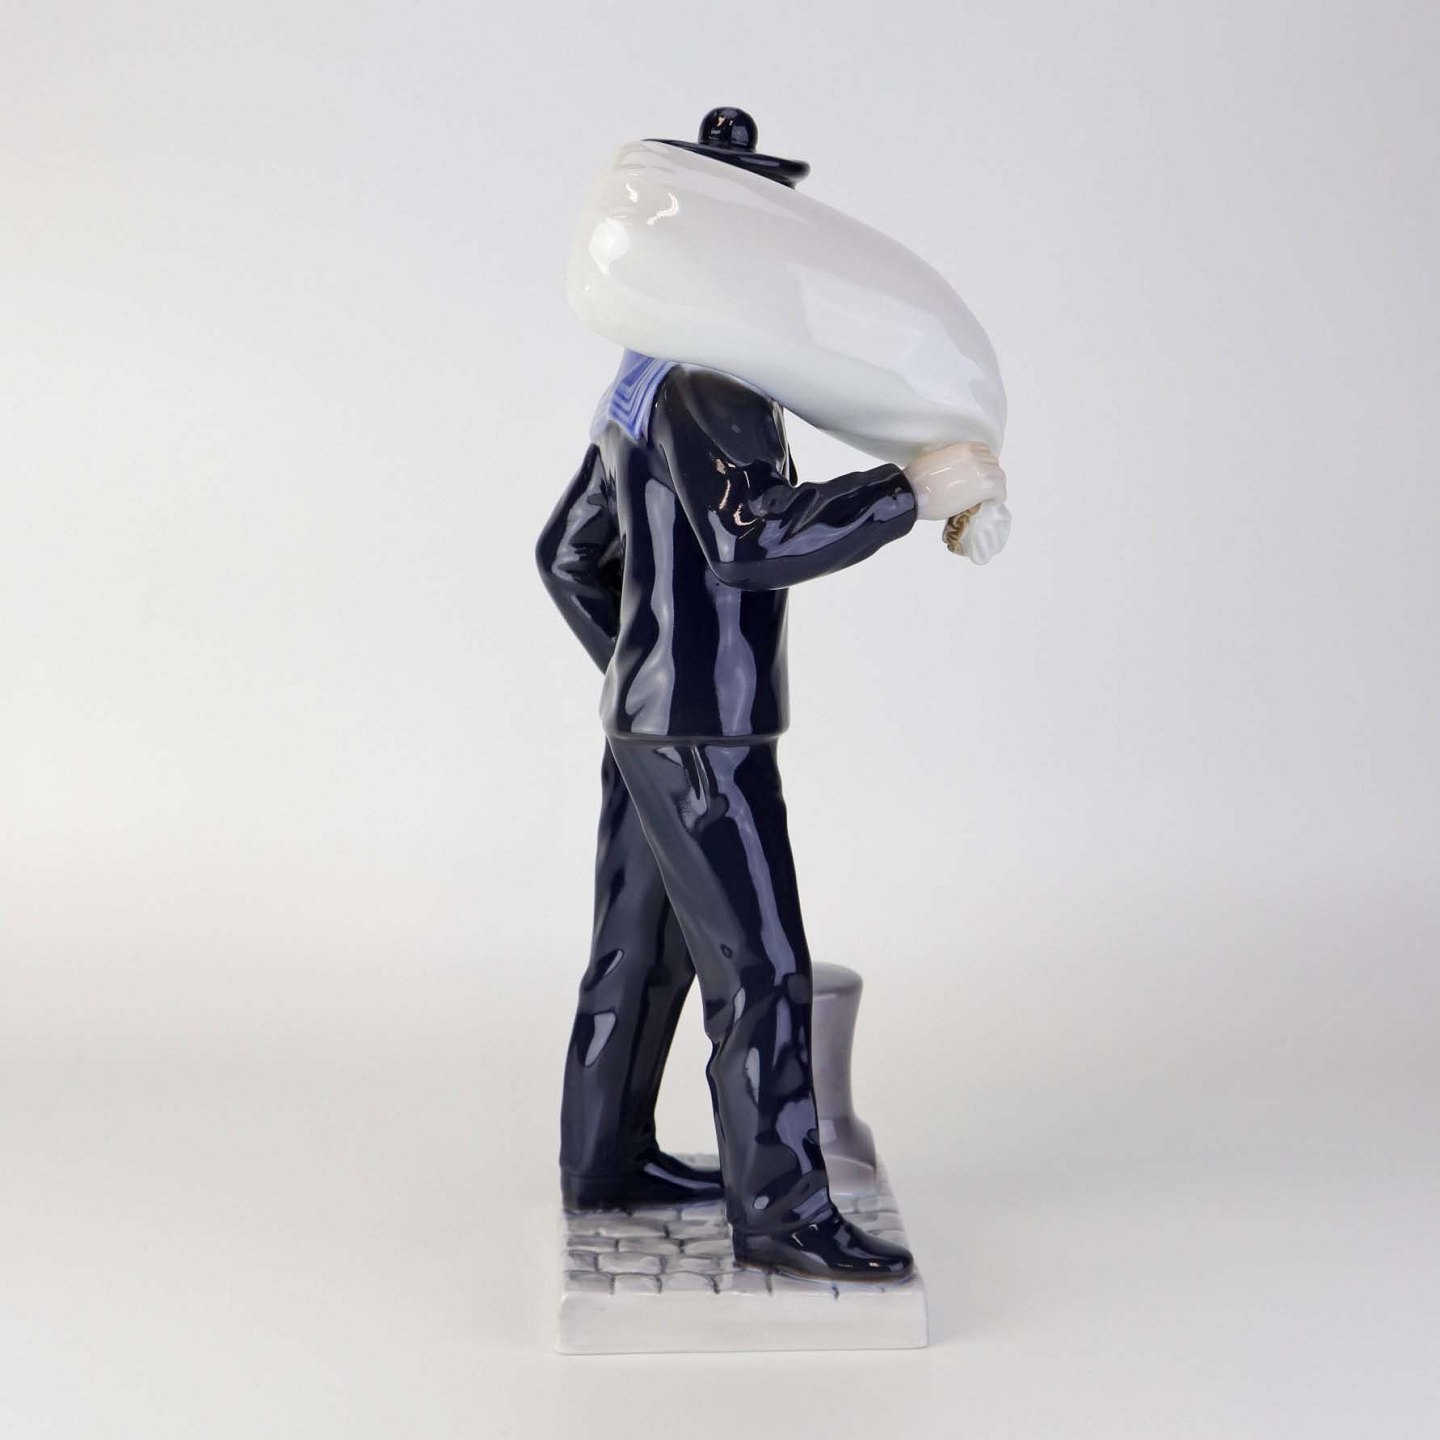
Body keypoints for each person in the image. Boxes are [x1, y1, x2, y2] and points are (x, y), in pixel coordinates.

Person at [537, 109, 1006, 1283]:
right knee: (760, 972)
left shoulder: (638, 384)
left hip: (652, 727)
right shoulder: (717, 387)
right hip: (705, 734)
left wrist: (637, 682)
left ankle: (606, 1162)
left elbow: (566, 555)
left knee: (637, 956)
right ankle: (785, 1215)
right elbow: (755, 541)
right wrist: (907, 491)